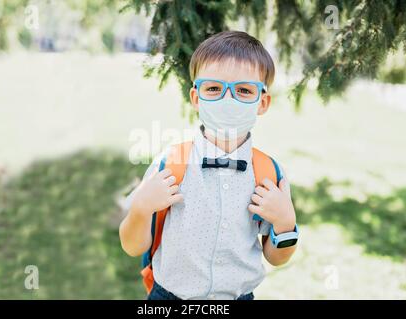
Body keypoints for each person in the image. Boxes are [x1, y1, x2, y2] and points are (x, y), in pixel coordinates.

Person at [119, 31, 298, 300]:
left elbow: (276, 258)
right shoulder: (170, 165)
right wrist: (142, 208)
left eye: (244, 90)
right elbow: (133, 247)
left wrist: (286, 223)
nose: (228, 99)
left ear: (262, 102)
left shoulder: (269, 174)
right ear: (195, 98)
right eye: (213, 88)